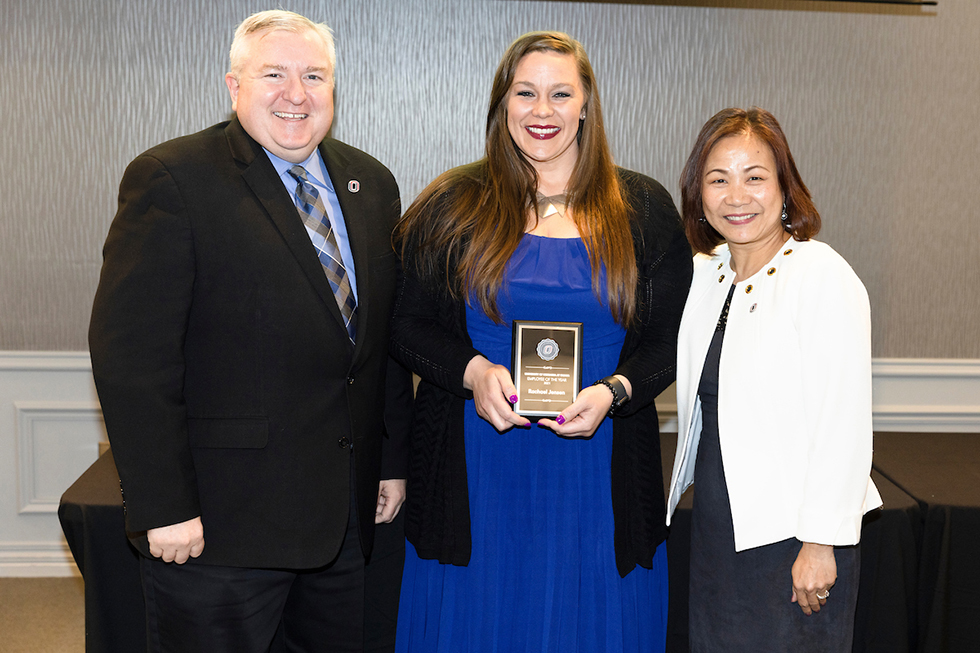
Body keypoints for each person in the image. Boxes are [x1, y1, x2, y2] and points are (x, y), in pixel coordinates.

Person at [88, 10, 412, 652]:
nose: (297, 93)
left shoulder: (370, 184)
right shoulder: (172, 179)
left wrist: (390, 460)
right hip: (219, 530)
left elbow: (381, 344)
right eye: (274, 74)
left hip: (342, 525)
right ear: (233, 85)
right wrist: (162, 506)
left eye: (314, 75)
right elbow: (132, 358)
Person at [389, 31, 692, 652]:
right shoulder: (454, 204)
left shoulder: (642, 207)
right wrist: (472, 372)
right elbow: (406, 327)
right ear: (503, 103)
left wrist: (617, 391)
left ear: (586, 104)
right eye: (525, 93)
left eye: (560, 93)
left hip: (599, 468)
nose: (542, 110)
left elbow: (670, 343)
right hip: (477, 469)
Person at [666, 107, 883, 651]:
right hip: (719, 525)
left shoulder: (820, 274)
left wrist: (820, 542)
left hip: (794, 537)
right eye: (719, 179)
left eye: (755, 177)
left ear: (785, 187)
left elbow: (843, 419)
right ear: (698, 192)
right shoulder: (704, 273)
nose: (736, 196)